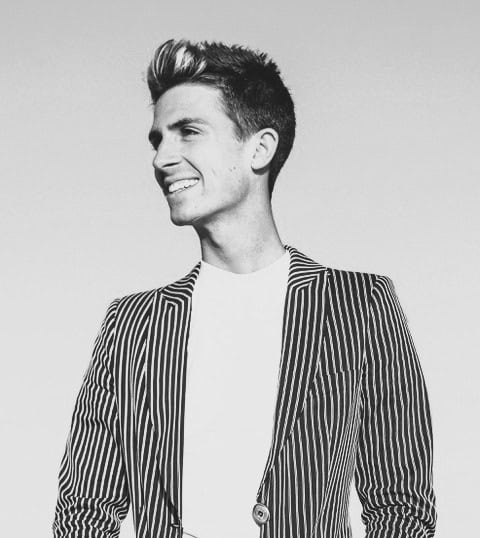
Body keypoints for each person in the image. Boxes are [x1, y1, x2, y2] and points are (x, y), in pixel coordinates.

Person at [52, 39, 437, 538]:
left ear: (260, 148)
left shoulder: (358, 306)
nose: (162, 158)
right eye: (157, 140)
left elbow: (401, 505)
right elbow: (84, 511)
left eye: (189, 132)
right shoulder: (131, 325)